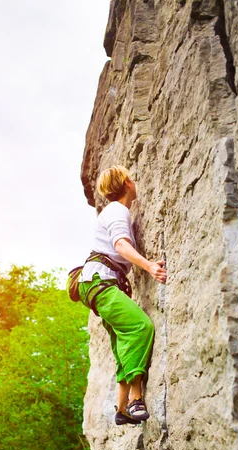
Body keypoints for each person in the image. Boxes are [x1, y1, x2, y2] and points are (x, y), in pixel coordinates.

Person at [79, 165, 167, 425]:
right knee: (139, 327)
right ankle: (136, 399)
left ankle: (121, 410)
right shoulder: (117, 210)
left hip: (96, 284)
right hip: (101, 283)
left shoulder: (111, 211)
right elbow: (120, 244)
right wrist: (149, 265)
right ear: (127, 182)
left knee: (121, 343)